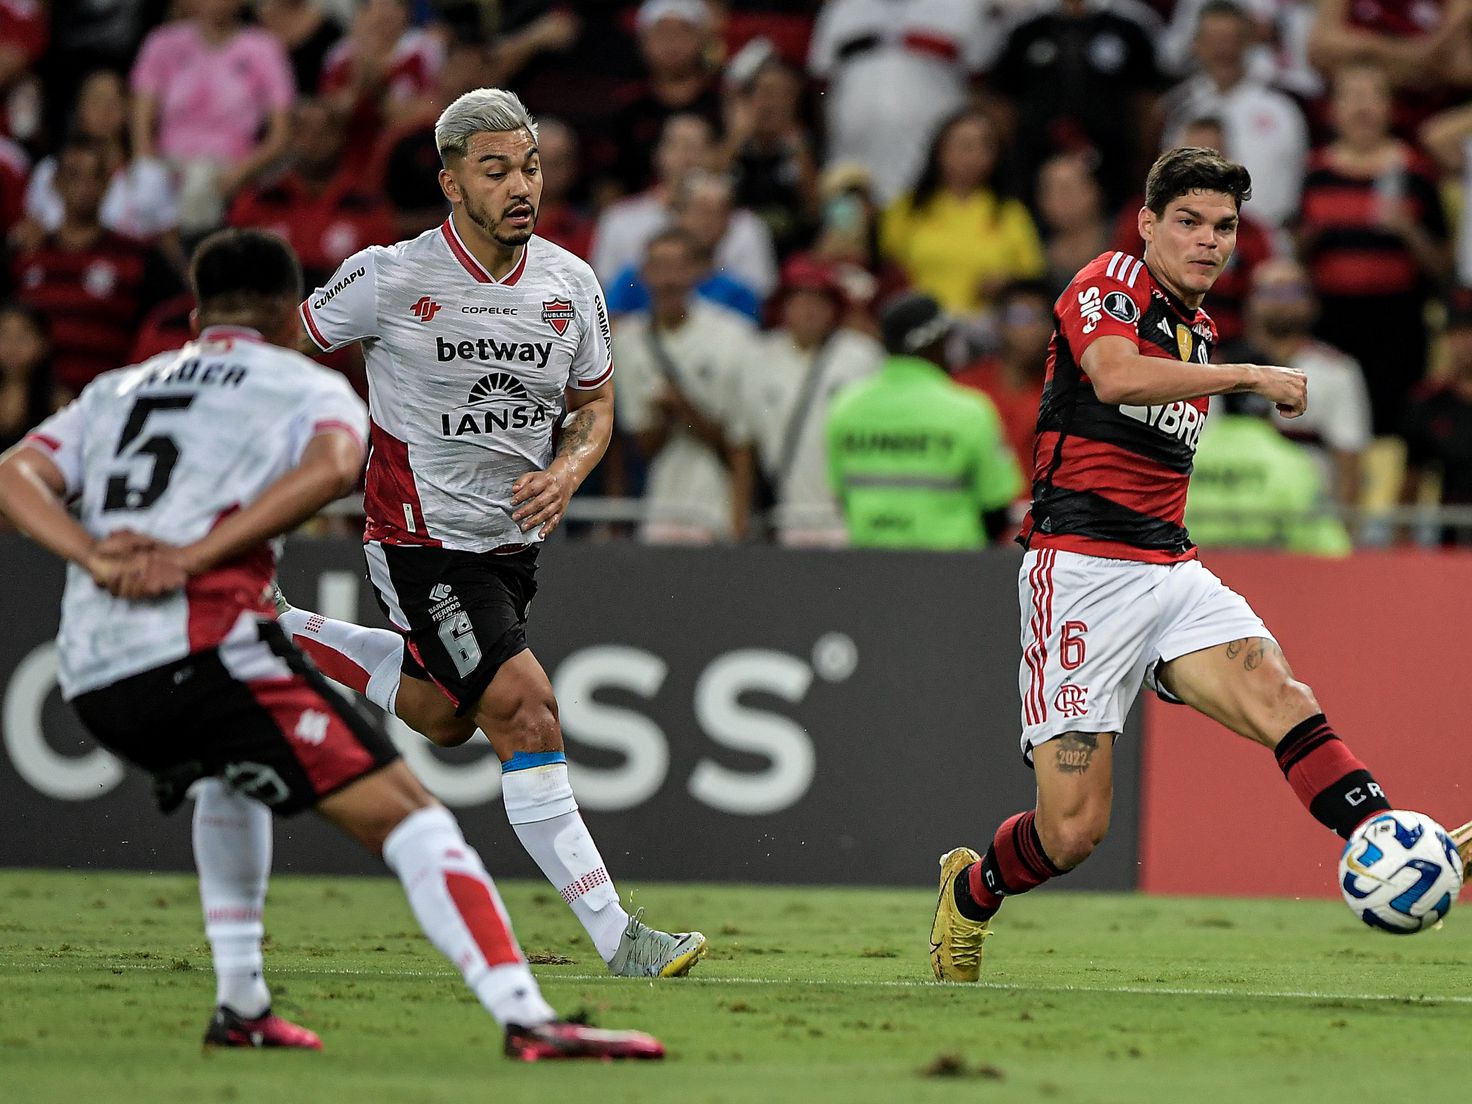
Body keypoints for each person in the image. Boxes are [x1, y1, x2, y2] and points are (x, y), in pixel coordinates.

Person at [0, 227, 663, 1061]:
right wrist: (198, 560)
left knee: (244, 775)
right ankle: (529, 1017)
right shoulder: (298, 386)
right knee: (418, 826)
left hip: (92, 670)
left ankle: (241, 1001)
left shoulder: (118, 388)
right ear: (287, 309)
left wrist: (94, 553)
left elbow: (12, 473)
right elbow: (332, 468)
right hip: (206, 649)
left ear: (198, 310)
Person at [928, 146, 1465, 984]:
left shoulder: (1199, 329)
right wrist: (1246, 375)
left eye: (1223, 227)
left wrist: (1224, 365)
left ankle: (1391, 841)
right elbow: (1109, 378)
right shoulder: (1108, 282)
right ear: (1147, 224)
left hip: (1170, 570)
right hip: (1080, 573)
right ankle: (971, 891)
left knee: (1283, 699)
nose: (1208, 241)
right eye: (1189, 222)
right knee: (1071, 833)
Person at [289, 88, 708, 976]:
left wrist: (566, 471)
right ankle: (617, 937)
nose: (522, 186)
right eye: (497, 171)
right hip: (418, 536)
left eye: (531, 167)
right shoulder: (389, 278)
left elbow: (594, 405)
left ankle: (276, 630)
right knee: (528, 711)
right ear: (451, 184)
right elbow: (286, 351)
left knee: (445, 716)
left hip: (510, 547)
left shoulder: (570, 283)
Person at [1298, 61, 1451, 436]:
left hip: (1398, 326)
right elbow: (1298, 258)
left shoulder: (1417, 172)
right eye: (1351, 97)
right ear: (1333, 109)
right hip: (1330, 322)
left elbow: (1445, 267)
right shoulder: (1315, 171)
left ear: (1391, 108)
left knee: (1394, 428)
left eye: (1373, 96)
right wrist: (1307, 240)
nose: (1362, 108)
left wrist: (1409, 231)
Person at [825, 291, 1021, 550]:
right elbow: (996, 504)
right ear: (935, 342)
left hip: (868, 566)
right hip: (951, 568)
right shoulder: (968, 410)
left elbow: (841, 496)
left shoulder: (845, 406)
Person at [729, 253, 882, 544]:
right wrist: (738, 520)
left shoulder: (862, 356)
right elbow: (742, 446)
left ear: (834, 309)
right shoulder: (757, 359)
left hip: (850, 518)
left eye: (820, 301)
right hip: (784, 518)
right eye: (799, 300)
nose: (809, 310)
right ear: (784, 307)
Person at [613, 226, 754, 543]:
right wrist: (664, 414)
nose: (668, 280)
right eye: (659, 268)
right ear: (645, 273)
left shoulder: (734, 336)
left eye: (678, 267)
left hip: (718, 505)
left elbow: (741, 444)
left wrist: (683, 407)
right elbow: (641, 446)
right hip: (660, 506)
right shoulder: (628, 341)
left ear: (696, 271)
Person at [12, 138, 178, 393]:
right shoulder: (25, 257)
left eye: (94, 176)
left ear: (107, 184)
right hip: (36, 410)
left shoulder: (138, 257)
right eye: (73, 175)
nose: (83, 186)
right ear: (56, 182)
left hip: (109, 401)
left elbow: (168, 323)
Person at [1219, 257, 1370, 511]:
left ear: (1312, 302)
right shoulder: (1218, 368)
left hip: (1309, 517)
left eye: (1292, 291)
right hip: (1230, 514)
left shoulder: (1338, 371)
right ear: (1249, 302)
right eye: (1270, 291)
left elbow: (1349, 460)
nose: (1281, 302)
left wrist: (1345, 532)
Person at [880, 108, 1045, 318]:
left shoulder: (1010, 213)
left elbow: (1032, 279)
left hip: (987, 326)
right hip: (919, 321)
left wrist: (1007, 284)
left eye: (985, 147)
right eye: (965, 146)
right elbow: (887, 271)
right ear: (940, 149)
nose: (974, 156)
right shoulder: (907, 209)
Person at [1160, 0, 1309, 230]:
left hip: (1266, 239)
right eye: (1213, 41)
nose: (1223, 50)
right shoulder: (1180, 110)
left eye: (1231, 39)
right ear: (1196, 45)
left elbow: (1296, 192)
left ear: (1248, 42)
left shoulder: (1281, 109)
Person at [1185, 392, 1352, 555]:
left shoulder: (1188, 455)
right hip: (1266, 574)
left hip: (1193, 569)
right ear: (1270, 407)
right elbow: (1328, 545)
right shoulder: (1291, 462)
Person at [952, 278, 1053, 481]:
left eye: (1041, 317)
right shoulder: (964, 387)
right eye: (1021, 317)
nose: (1033, 328)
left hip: (1039, 507)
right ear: (998, 323)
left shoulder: (1060, 391)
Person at [1401, 286, 1472, 547]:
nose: (1466, 343)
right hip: (1452, 537)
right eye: (1457, 333)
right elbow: (1411, 483)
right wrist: (1402, 543)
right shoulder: (1428, 403)